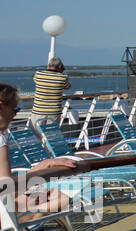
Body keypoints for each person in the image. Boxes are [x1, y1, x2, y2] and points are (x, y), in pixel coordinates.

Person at [0, 82, 78, 222]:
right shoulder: (0, 138)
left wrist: (47, 164)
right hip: (4, 205)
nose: (14, 116)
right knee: (57, 201)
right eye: (15, 110)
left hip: (5, 199)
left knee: (57, 198)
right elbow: (7, 188)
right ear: (1, 107)